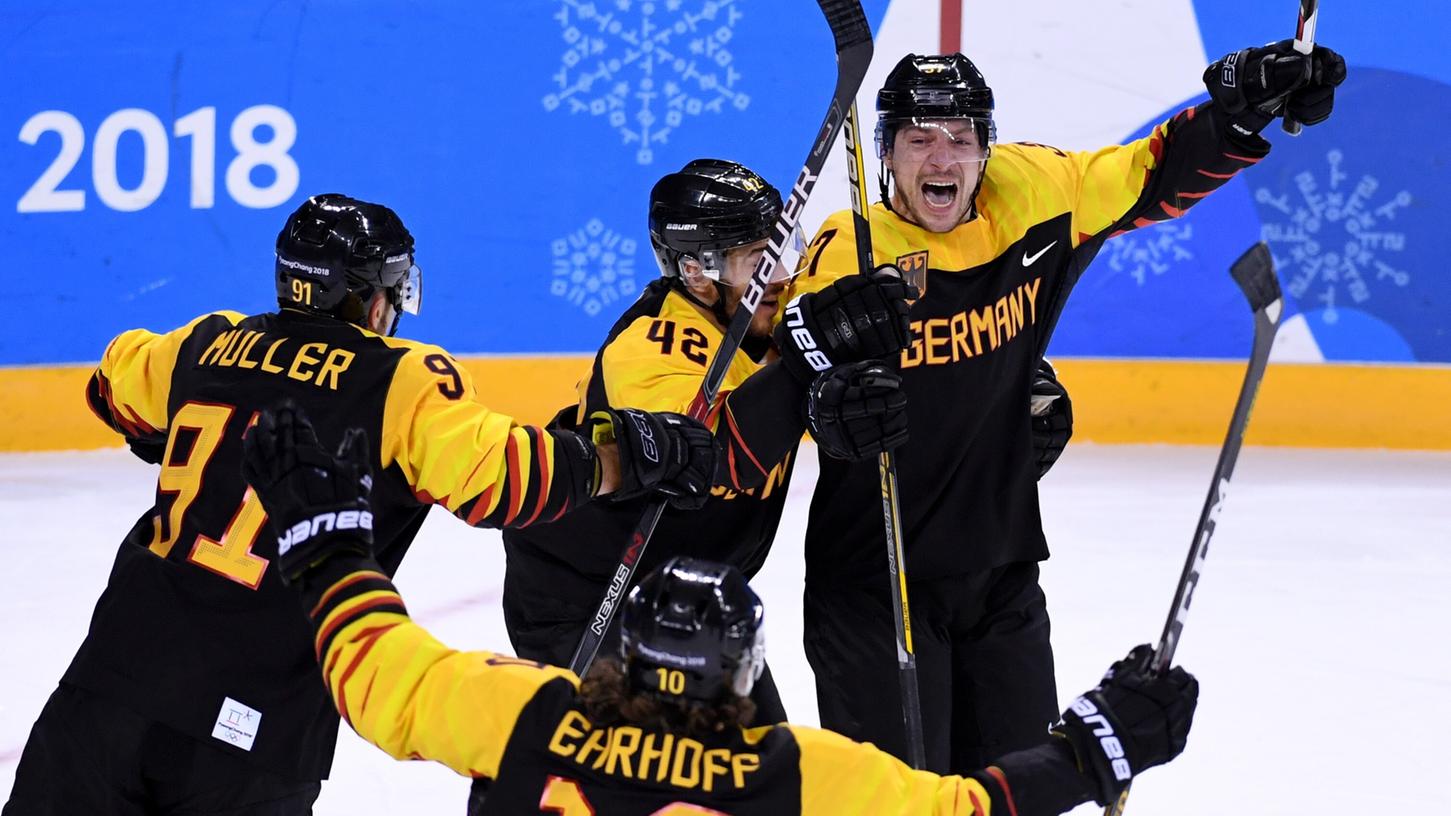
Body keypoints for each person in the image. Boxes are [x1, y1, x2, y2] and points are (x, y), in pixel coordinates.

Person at [3, 194, 718, 815]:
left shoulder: (206, 343)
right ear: (372, 296)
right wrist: (625, 455)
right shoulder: (396, 378)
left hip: (106, 692)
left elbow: (110, 383)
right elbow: (504, 479)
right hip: (252, 729)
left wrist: (154, 428)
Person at [781, 43, 1345, 773]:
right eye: (918, 138)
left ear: (988, 147)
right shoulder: (847, 249)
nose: (942, 158)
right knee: (899, 799)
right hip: (875, 584)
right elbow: (794, 375)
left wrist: (1242, 107)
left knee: (1025, 787)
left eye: (961, 137)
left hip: (1000, 569)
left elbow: (1149, 176)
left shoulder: (1036, 189)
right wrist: (829, 405)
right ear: (885, 152)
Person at [241, 401, 1201, 815]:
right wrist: (1094, 748)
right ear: (744, 676)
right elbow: (969, 805)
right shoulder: (791, 770)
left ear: (621, 654)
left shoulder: (529, 712)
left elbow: (378, 673)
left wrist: (325, 548)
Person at [499, 159, 914, 725]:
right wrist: (806, 362)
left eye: (782, 251)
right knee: (627, 781)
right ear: (696, 273)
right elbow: (710, 460)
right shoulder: (649, 348)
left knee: (763, 774)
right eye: (756, 261)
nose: (780, 276)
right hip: (588, 597)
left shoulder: (769, 322)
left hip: (691, 596)